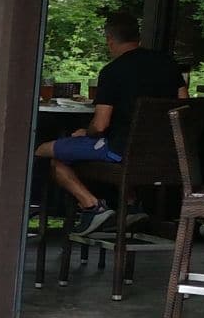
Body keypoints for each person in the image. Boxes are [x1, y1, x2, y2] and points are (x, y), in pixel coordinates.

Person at [34, 13, 187, 235]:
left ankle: (91, 206)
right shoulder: (169, 65)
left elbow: (101, 125)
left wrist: (85, 132)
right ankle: (131, 206)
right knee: (117, 154)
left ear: (110, 41)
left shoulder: (113, 71)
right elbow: (185, 106)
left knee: (45, 151)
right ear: (139, 39)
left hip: (121, 151)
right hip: (165, 154)